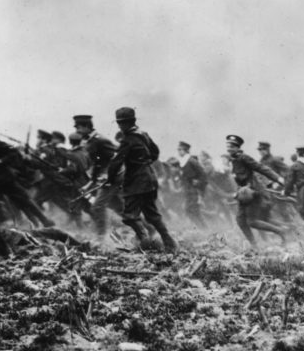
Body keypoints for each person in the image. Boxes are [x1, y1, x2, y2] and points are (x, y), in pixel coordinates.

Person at [106, 107, 177, 251]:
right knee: (152, 214)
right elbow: (155, 153)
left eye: (120, 123)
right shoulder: (143, 134)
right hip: (150, 178)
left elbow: (115, 163)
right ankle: (169, 242)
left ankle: (145, 240)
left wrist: (111, 179)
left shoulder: (127, 140)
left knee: (129, 216)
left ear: (125, 123)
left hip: (137, 182)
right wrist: (143, 162)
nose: (119, 126)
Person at [226, 134, 287, 246]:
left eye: (231, 146)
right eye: (228, 146)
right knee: (240, 221)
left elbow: (261, 168)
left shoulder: (244, 157)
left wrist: (278, 179)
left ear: (237, 147)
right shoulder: (233, 159)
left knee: (252, 222)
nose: (228, 148)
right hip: (243, 193)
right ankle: (254, 246)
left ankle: (281, 231)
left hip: (253, 193)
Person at [73, 114, 124, 240]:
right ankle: (147, 229)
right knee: (118, 207)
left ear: (86, 126)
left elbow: (116, 157)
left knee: (97, 206)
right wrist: (91, 183)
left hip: (112, 177)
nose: (77, 131)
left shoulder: (99, 140)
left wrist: (108, 175)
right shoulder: (91, 141)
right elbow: (97, 164)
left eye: (78, 128)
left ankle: (102, 237)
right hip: (105, 178)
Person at [177, 141, 208, 229]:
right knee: (189, 211)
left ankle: (205, 229)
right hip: (187, 190)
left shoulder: (191, 161)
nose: (178, 152)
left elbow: (203, 174)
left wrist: (198, 182)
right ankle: (202, 228)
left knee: (193, 211)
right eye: (178, 150)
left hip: (194, 190)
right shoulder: (183, 162)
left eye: (180, 150)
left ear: (186, 150)